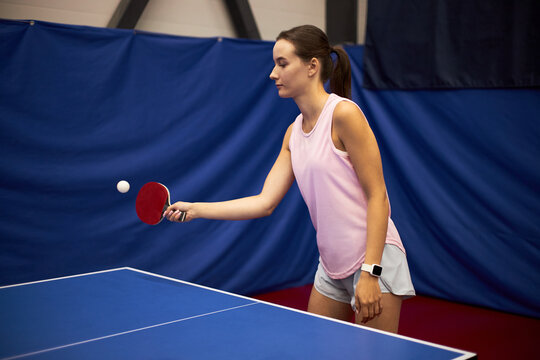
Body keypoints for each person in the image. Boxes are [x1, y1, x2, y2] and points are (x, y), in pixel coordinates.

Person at [164, 25, 415, 333]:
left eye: (282, 63)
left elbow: (379, 197)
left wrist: (371, 272)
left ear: (312, 66)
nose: (273, 73)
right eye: (275, 64)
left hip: (374, 259)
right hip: (330, 264)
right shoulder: (293, 134)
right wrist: (197, 209)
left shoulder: (344, 115)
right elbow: (264, 202)